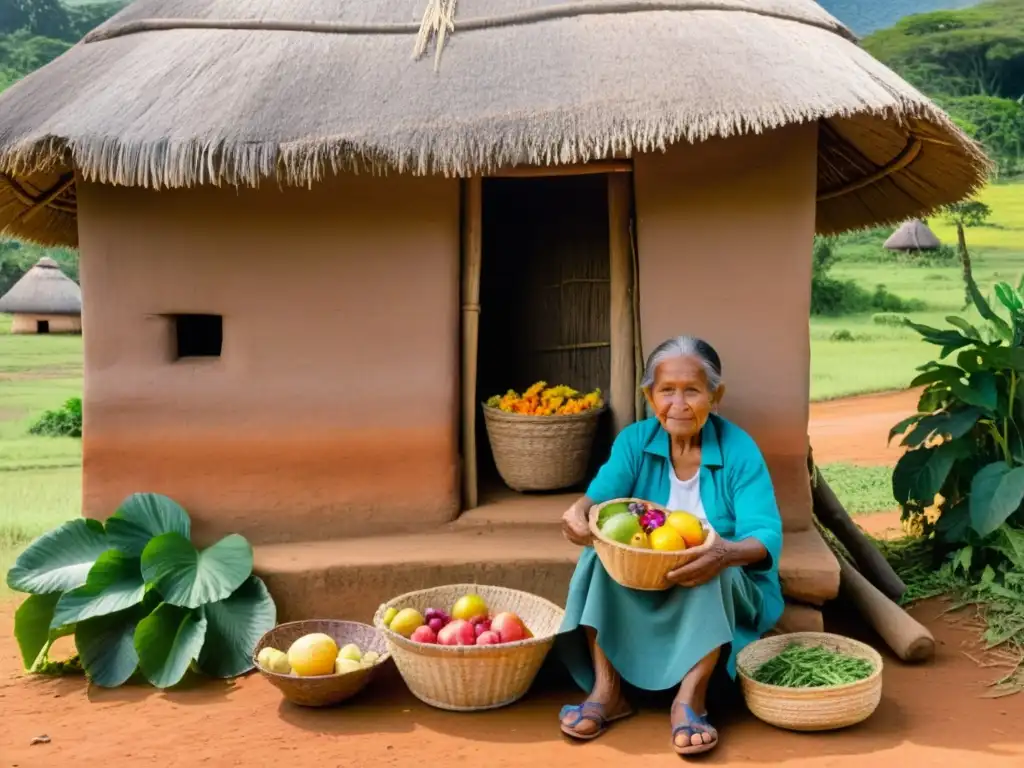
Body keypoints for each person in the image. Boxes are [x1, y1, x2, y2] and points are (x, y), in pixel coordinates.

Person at [555, 334, 784, 756]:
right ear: (649, 395)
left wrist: (723, 553)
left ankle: (691, 699)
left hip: (719, 584)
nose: (678, 404)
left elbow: (765, 535)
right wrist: (578, 513)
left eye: (692, 390)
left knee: (714, 562)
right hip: (643, 579)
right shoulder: (634, 442)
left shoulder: (739, 450)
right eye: (666, 390)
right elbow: (599, 497)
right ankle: (608, 691)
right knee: (596, 556)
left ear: (716, 396)